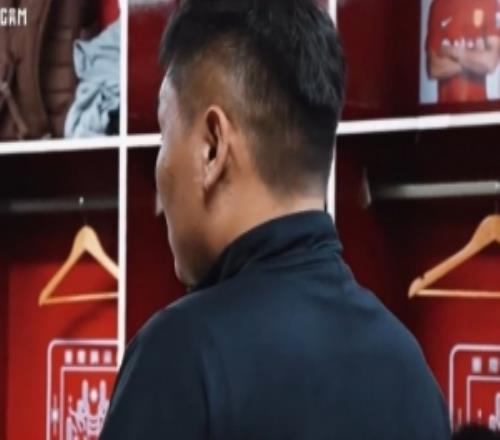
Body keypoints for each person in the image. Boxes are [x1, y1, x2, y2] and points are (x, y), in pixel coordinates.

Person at [101, 0, 452, 438]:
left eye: (163, 133)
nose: (160, 168)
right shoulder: (411, 371)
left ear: (212, 147)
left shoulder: (180, 359)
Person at [426, 0, 500, 103]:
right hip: (445, 109)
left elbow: (490, 63)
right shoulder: (438, 4)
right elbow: (433, 68)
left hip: (478, 108)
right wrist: (475, 60)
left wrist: (450, 51)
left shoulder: (489, 2)